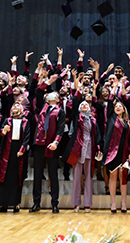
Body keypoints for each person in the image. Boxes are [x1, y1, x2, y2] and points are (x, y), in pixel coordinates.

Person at [30, 74, 65, 213]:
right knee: (37, 175)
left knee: (53, 175)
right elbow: (38, 91)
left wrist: (56, 142)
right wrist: (49, 82)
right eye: (48, 95)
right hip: (39, 144)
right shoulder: (41, 106)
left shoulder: (60, 111)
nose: (49, 96)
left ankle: (54, 203)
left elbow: (61, 129)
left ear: (57, 99)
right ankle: (36, 202)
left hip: (52, 145)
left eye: (53, 95)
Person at [63, 94, 102, 212]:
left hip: (90, 147)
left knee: (89, 176)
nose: (84, 105)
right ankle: (76, 203)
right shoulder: (76, 117)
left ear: (89, 107)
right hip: (77, 148)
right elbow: (75, 102)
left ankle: (88, 203)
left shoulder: (93, 119)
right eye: (82, 104)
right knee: (76, 176)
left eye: (86, 104)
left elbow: (97, 135)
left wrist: (99, 148)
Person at [102, 97, 130, 213]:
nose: (118, 107)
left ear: (124, 109)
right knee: (113, 176)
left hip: (124, 152)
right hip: (112, 152)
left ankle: (124, 202)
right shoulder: (111, 117)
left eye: (120, 106)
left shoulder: (127, 122)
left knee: (123, 178)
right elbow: (110, 102)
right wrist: (114, 88)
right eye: (116, 106)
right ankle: (113, 203)